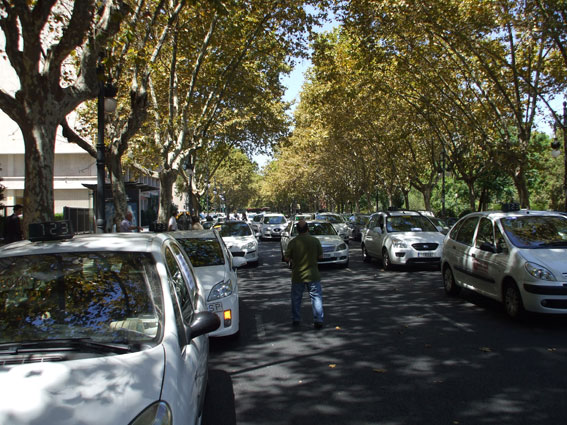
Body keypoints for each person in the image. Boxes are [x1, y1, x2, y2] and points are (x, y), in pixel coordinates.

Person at [284, 219, 324, 329]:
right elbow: (321, 257)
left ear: (297, 230)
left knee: (296, 298)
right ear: (307, 229)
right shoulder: (315, 241)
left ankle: (296, 319)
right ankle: (318, 319)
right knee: (316, 297)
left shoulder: (293, 242)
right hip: (313, 274)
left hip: (298, 275)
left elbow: (286, 258)